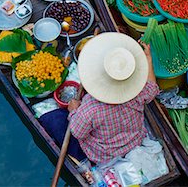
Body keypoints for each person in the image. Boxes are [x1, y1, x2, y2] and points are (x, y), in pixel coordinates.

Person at [67, 33, 159, 164]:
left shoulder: (89, 108)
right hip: (134, 142)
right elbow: (152, 88)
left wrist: (74, 110)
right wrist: (148, 59)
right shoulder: (138, 92)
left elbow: (77, 132)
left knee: (53, 119)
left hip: (104, 155)